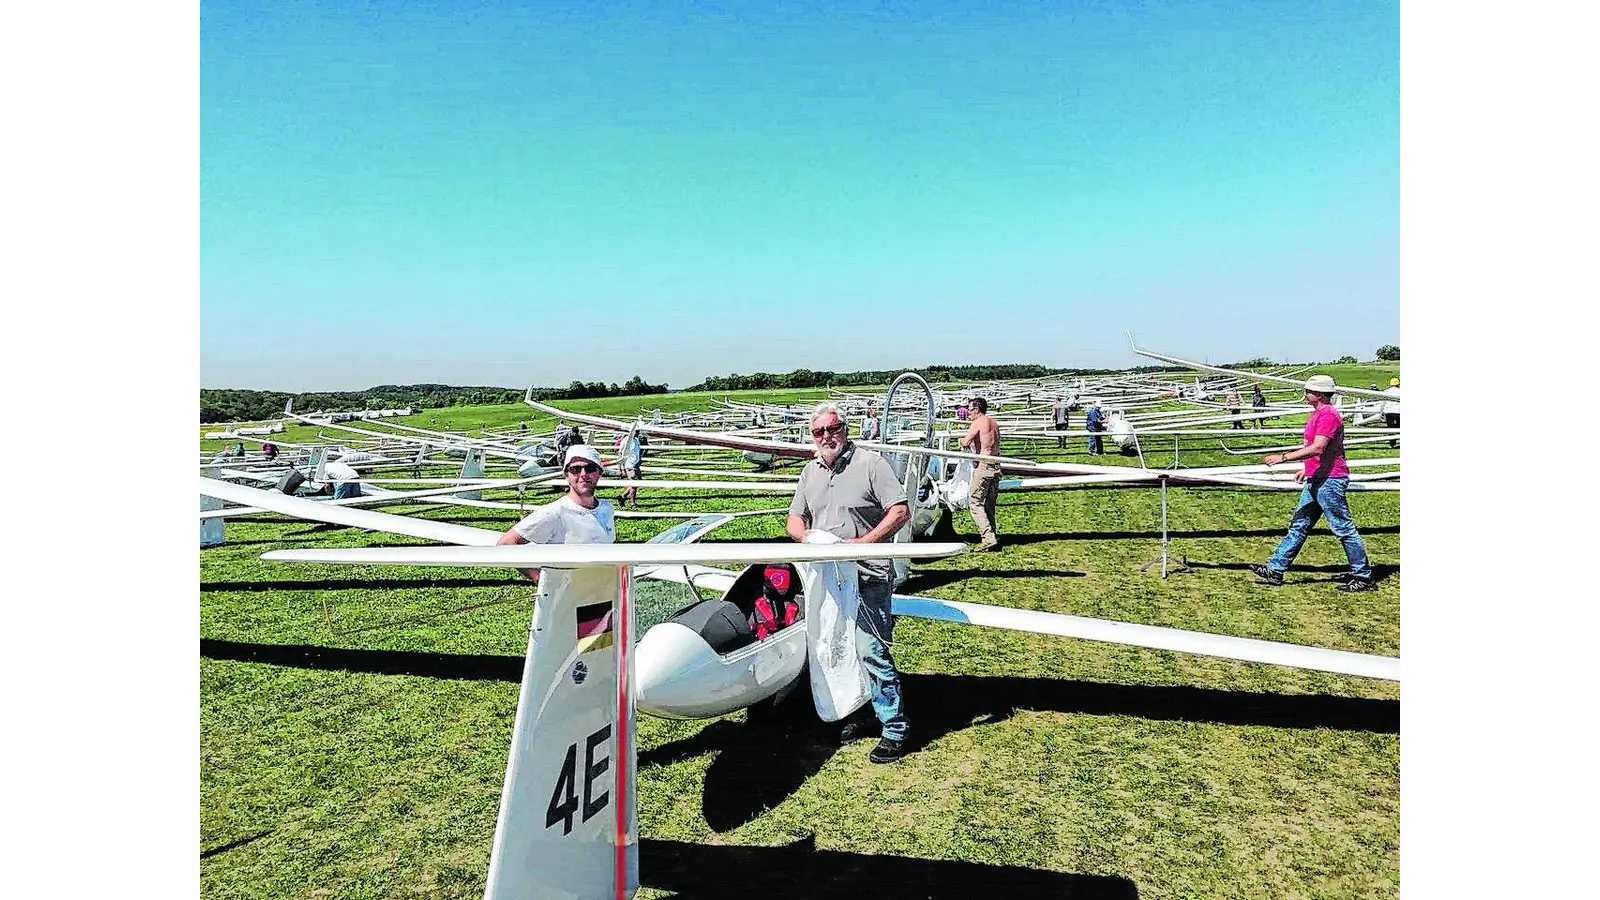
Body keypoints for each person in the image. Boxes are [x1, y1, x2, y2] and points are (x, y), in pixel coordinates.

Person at [786, 403, 912, 764]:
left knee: (871, 650)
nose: (827, 437)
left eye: (833, 428)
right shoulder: (810, 472)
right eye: (818, 432)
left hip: (867, 574)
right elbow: (795, 518)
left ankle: (894, 727)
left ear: (845, 427)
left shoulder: (871, 464)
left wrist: (865, 543)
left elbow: (900, 510)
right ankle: (855, 713)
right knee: (833, 646)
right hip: (828, 578)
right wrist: (805, 536)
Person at [1250, 375, 1375, 592]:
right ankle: (1275, 569)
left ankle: (1363, 576)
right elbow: (1322, 451)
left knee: (1343, 528)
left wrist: (1283, 457)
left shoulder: (1329, 415)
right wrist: (1306, 469)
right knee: (1299, 525)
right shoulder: (1318, 414)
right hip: (1317, 477)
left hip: (1330, 480)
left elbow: (1318, 447)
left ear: (1319, 394)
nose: (1305, 394)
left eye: (1308, 391)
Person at [499, 445, 616, 583]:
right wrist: (540, 579)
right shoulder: (554, 512)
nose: (583, 474)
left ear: (599, 473)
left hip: (604, 593)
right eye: (575, 469)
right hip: (567, 600)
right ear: (566, 475)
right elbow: (506, 543)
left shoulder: (607, 509)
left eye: (590, 468)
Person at [961, 397, 1002, 552]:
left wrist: (960, 442)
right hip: (996, 465)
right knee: (989, 504)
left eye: (970, 410)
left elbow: (966, 442)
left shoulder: (977, 422)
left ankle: (988, 538)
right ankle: (993, 534)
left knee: (975, 502)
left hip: (984, 466)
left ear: (976, 410)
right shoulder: (994, 423)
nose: (968, 413)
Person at [617, 432, 644, 508]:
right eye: (637, 431)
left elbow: (637, 451)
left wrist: (639, 460)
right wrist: (619, 468)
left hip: (636, 464)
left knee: (638, 483)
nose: (638, 433)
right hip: (629, 465)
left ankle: (622, 496)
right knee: (634, 484)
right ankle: (632, 503)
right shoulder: (626, 440)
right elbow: (620, 453)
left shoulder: (636, 440)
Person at [1381, 377, 1401, 447]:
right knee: (1399, 427)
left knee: (1391, 428)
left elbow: (1383, 403)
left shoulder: (1386, 391)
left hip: (1389, 411)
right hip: (1399, 412)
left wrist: (1381, 412)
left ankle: (1392, 443)